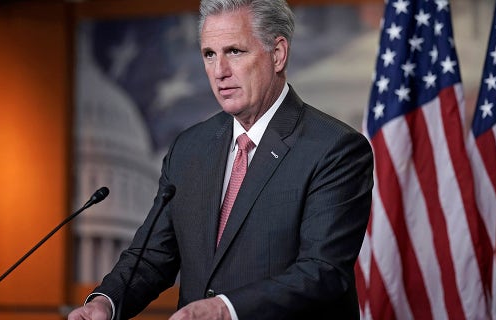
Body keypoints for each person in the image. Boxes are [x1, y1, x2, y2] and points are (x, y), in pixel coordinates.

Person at [68, 0, 373, 319]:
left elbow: (321, 272)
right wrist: (105, 301)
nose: (219, 72)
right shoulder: (189, 147)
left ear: (278, 54)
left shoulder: (335, 148)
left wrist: (226, 310)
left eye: (235, 52)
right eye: (209, 54)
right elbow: (151, 255)